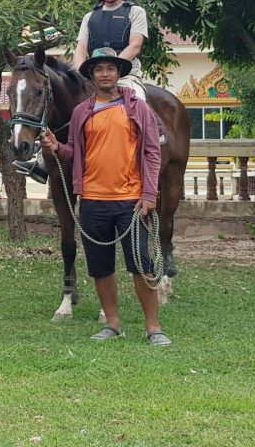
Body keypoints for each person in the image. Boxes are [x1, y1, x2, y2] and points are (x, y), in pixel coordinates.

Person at [40, 48, 170, 347]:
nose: (105, 74)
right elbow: (73, 152)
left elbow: (152, 152)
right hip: (93, 200)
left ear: (118, 73)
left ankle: (153, 326)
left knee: (142, 264)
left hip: (131, 199)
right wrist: (56, 147)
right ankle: (112, 323)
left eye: (110, 68)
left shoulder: (137, 108)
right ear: (91, 75)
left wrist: (150, 192)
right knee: (100, 267)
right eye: (99, 69)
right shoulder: (81, 112)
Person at [14, 0, 151, 185]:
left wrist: (113, 69)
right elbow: (80, 49)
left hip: (126, 75)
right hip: (93, 76)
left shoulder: (135, 12)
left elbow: (135, 46)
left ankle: (144, 157)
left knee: (139, 104)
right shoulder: (91, 17)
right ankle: (40, 160)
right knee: (63, 109)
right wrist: (83, 73)